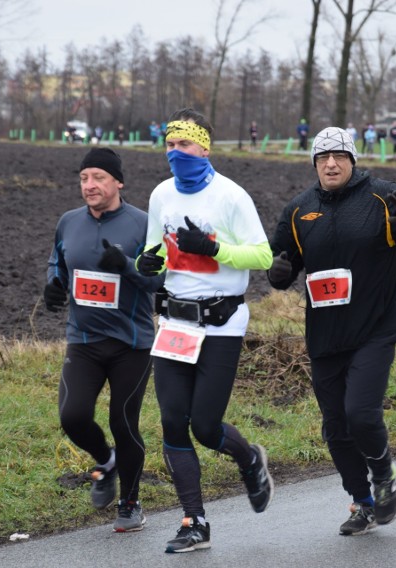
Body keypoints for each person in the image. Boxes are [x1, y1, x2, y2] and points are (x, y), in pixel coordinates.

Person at [268, 127, 396, 537]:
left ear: (352, 160)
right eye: (322, 158)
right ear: (314, 163)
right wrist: (278, 275)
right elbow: (282, 260)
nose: (330, 164)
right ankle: (362, 502)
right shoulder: (300, 210)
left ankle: (384, 472)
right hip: (325, 335)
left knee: (360, 414)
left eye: (338, 156)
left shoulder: (382, 195)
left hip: (375, 328)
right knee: (335, 426)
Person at [136, 107, 274, 554]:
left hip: (221, 323)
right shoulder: (161, 195)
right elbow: (154, 247)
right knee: (173, 421)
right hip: (174, 323)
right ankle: (194, 521)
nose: (176, 153)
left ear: (205, 147)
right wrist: (146, 263)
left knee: (205, 425)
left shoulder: (231, 197)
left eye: (184, 144)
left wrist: (215, 248)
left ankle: (250, 458)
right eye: (169, 145)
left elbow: (263, 257)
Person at [44, 147, 165, 533]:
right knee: (72, 416)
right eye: (83, 178)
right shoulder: (68, 222)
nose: (89, 185)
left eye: (98, 177)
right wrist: (53, 287)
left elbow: (159, 281)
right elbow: (57, 264)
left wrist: (126, 267)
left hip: (131, 343)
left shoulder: (143, 223)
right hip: (84, 340)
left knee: (123, 421)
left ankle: (130, 503)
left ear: (118, 182)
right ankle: (106, 461)